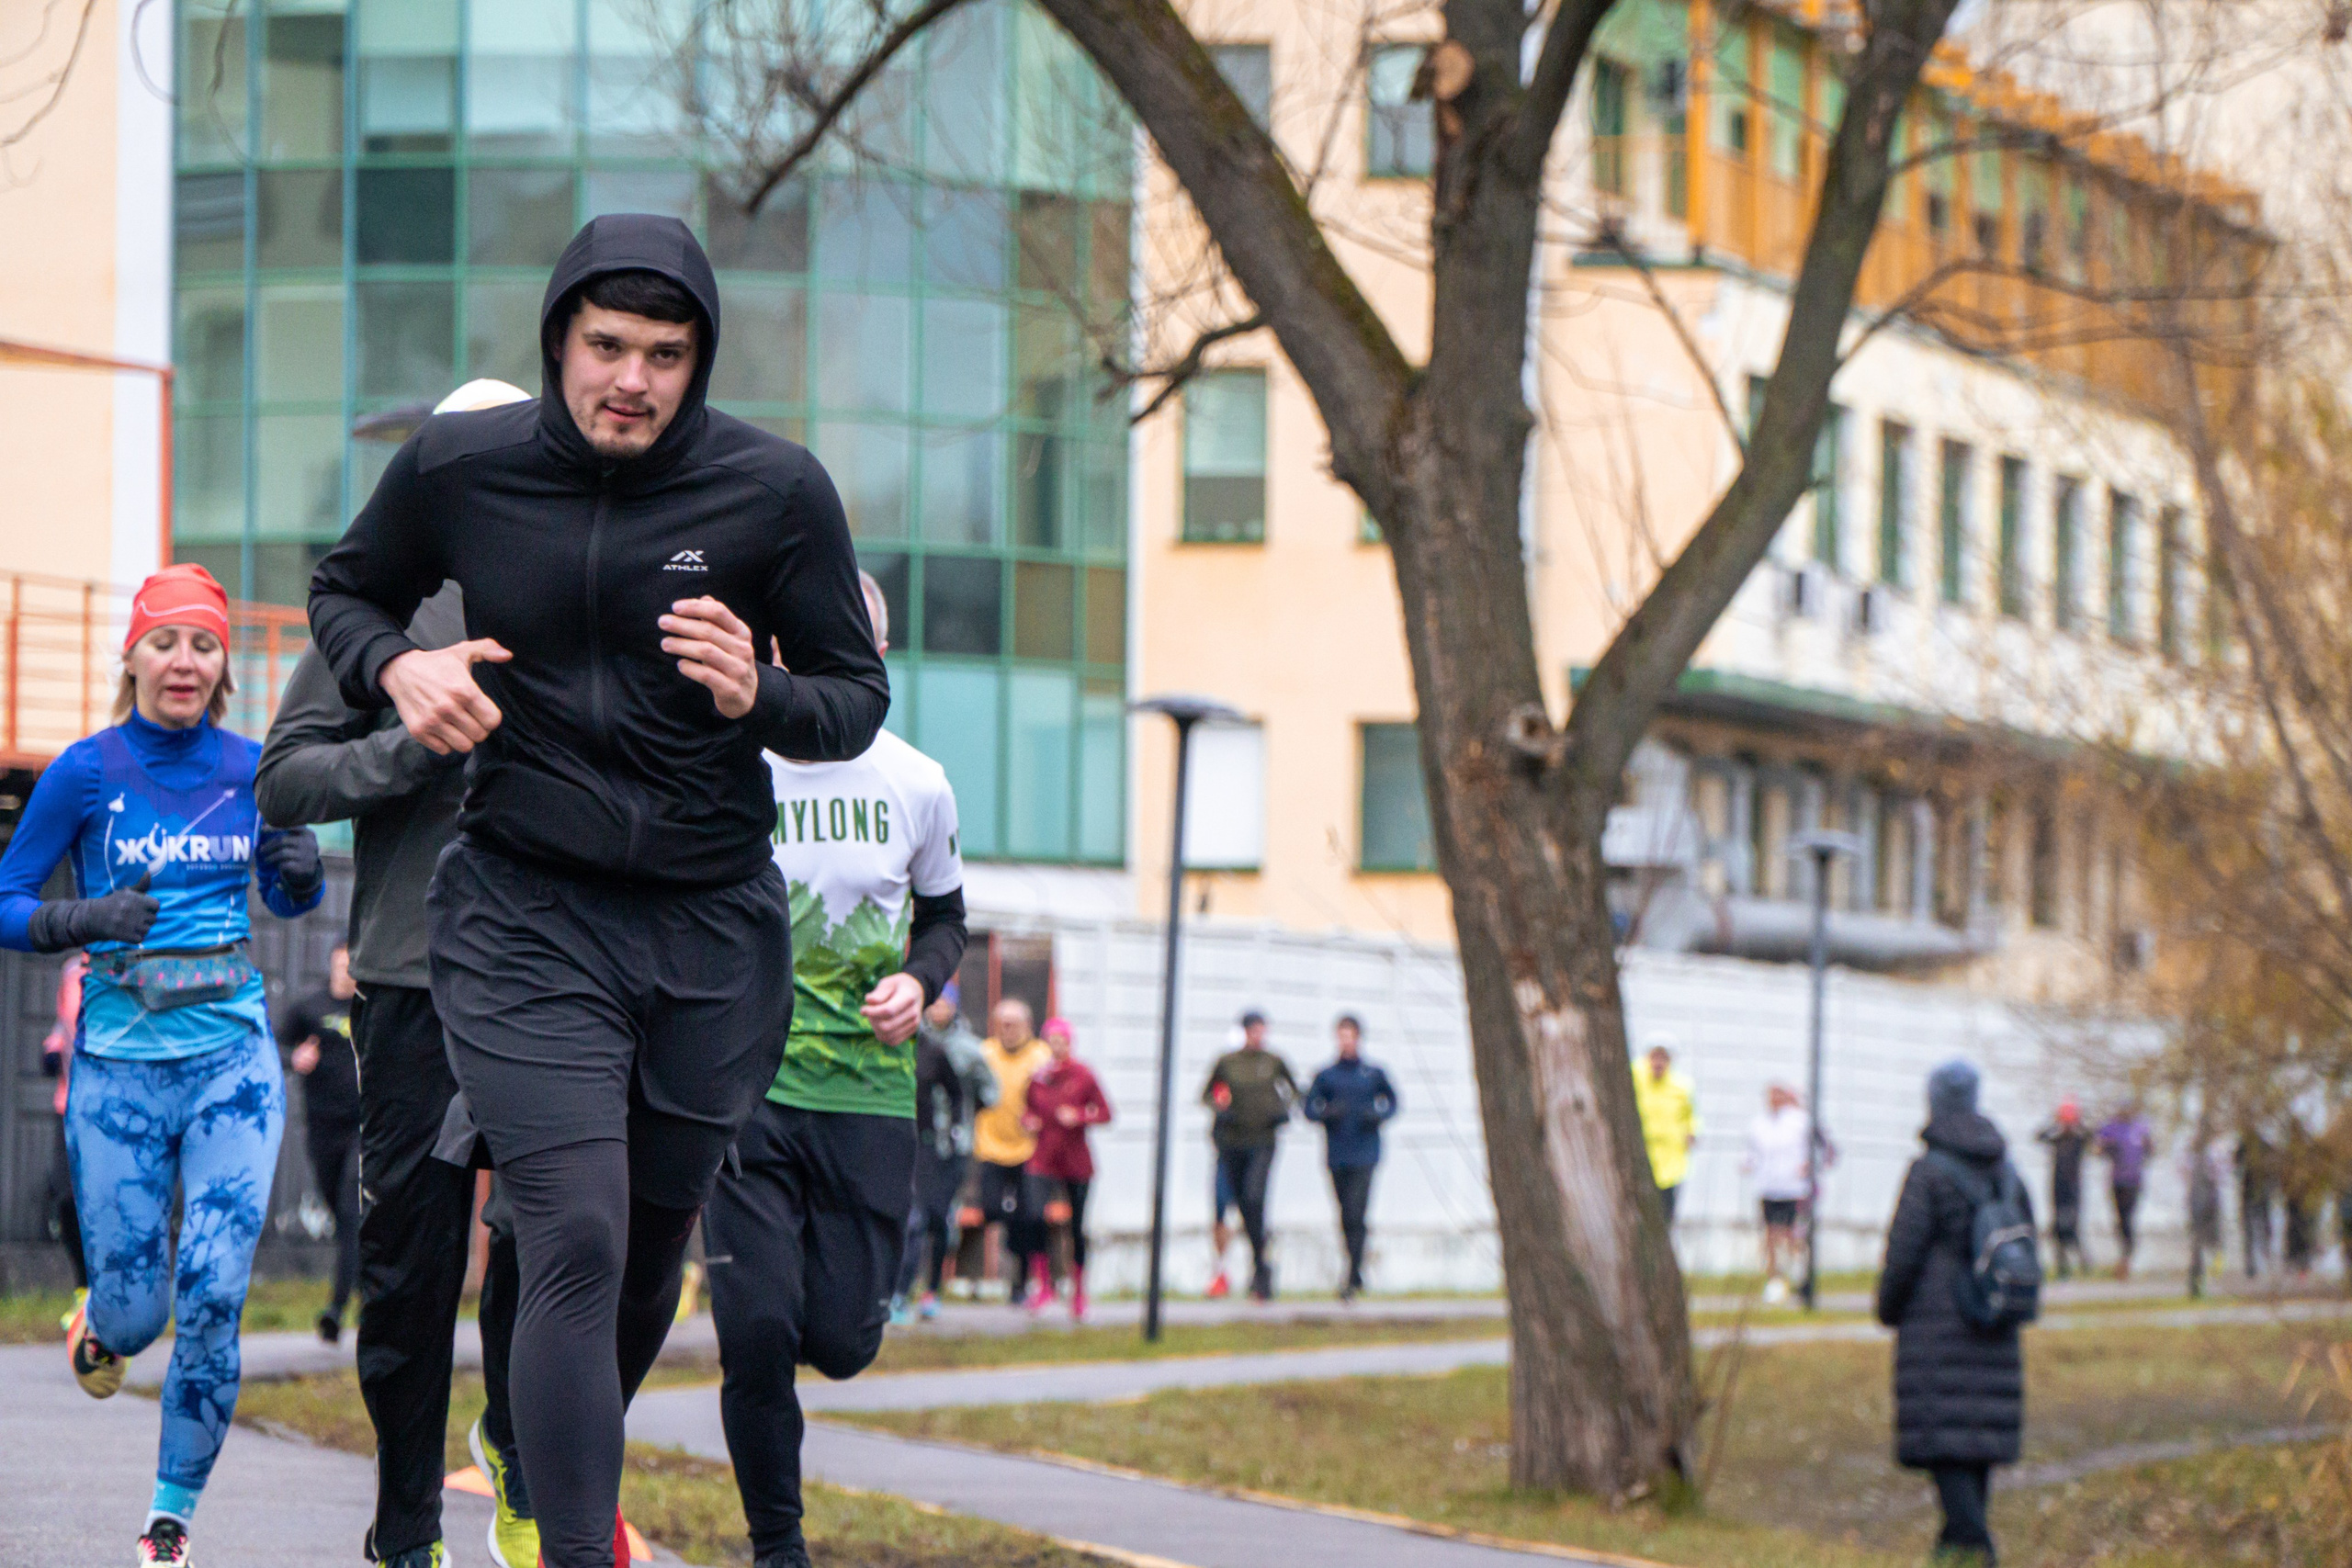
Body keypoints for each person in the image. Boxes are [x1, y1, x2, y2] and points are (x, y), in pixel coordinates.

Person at [307, 213, 890, 1568]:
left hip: (707, 923)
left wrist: (765, 691)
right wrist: (399, 669)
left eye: (665, 355)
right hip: (524, 909)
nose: (631, 379)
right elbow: (348, 592)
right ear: (561, 336)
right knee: (573, 1222)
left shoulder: (776, 490)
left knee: (644, 1255)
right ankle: (576, 1546)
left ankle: (526, 1433)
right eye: (606, 345)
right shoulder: (462, 465)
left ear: (700, 362)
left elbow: (854, 702)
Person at [261, 378, 544, 1568]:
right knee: (414, 1265)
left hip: (560, 979)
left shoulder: (583, 577)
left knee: (553, 1248)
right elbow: (285, 780)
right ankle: (409, 1520)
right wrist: (410, 745)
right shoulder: (385, 603)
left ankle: (526, 1460)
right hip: (413, 973)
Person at [0, 563, 324, 1567]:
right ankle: (99, 1321)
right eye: (166, 641)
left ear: (224, 665)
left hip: (233, 1057)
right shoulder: (85, 772)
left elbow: (294, 896)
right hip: (118, 1070)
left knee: (217, 1289)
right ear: (131, 655)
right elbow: (7, 897)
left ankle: (168, 1519)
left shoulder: (252, 768)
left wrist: (300, 871)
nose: (184, 660)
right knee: (140, 1315)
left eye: (204, 643)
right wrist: (78, 919)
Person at [703, 567, 966, 1568]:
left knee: (844, 1344)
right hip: (745, 1093)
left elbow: (944, 916)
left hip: (866, 1097)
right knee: (756, 1331)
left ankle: (835, 1316)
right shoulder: (727, 766)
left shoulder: (917, 781)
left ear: (877, 660)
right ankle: (779, 1546)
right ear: (774, 647)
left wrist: (920, 982)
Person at [1876, 1059, 2029, 1567]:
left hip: (1937, 1325)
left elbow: (1904, 1252)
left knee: (1946, 1445)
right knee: (1975, 1442)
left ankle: (1976, 1550)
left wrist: (1888, 1308)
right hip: (1994, 1317)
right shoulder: (2006, 1170)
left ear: (1935, 1101)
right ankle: (1952, 1551)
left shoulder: (1928, 1172)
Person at [277, 942, 362, 1343]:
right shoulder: (309, 1009)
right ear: (331, 966)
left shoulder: (369, 1010)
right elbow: (274, 1044)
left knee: (350, 1209)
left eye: (351, 967)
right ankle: (366, 1285)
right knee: (343, 1215)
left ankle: (336, 1307)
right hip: (322, 1128)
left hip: (364, 1128)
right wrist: (293, 1060)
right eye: (339, 966)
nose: (345, 974)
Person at [895, 981, 995, 1322]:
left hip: (954, 1145)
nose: (938, 1010)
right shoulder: (910, 1042)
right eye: (933, 1004)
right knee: (914, 1217)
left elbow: (989, 1093)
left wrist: (962, 1119)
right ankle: (898, 1293)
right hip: (916, 1141)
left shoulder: (969, 1048)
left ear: (955, 1007)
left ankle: (931, 1289)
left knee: (939, 1216)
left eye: (944, 1004)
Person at [1202, 1009, 1300, 1302]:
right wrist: (1222, 1107)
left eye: (1261, 1030)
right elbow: (1208, 1094)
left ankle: (1261, 1268)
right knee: (1238, 1205)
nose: (1257, 1036)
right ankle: (1255, 1267)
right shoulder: (1228, 1062)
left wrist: (1283, 1111)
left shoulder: (1273, 1062)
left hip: (1262, 1141)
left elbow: (1295, 1092)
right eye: (1252, 1030)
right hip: (1232, 1142)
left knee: (1254, 1198)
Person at [1022, 1016, 1113, 1317]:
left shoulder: (1083, 1075)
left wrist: (1079, 1116)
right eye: (1052, 1041)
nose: (1057, 1046)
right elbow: (1028, 1110)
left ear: (1070, 1043)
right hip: (1043, 1157)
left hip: (1076, 1160)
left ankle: (1078, 1290)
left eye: (1062, 1041)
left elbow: (1105, 1112)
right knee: (1034, 1217)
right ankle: (1043, 1284)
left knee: (1076, 1227)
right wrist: (1029, 1121)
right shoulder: (1038, 1076)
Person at [1305, 1013, 1399, 1301]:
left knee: (1358, 1212)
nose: (1346, 1041)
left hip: (1365, 1153)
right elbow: (1309, 1108)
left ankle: (1351, 1275)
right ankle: (1355, 1269)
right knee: (1346, 1215)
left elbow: (1393, 1102)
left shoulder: (1372, 1073)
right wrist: (1326, 1115)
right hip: (1338, 1154)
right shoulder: (1327, 1075)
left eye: (1350, 1035)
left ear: (1358, 1038)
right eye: (1341, 1036)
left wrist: (1377, 1116)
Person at [971, 998, 1054, 1302]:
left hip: (1029, 1149)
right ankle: (1011, 1242)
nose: (1008, 1029)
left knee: (1029, 1216)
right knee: (990, 1209)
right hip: (991, 1145)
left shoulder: (1041, 1056)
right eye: (1003, 1023)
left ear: (1028, 1026)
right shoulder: (985, 1053)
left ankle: (1020, 1284)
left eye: (1014, 1023)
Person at [40, 953, 87, 1319]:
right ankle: (84, 1289)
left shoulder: (135, 962)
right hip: (68, 1103)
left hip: (117, 1110)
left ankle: (116, 1295)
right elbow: (63, 1025)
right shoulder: (72, 970)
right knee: (67, 1200)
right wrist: (53, 1049)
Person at [1745, 1083, 1814, 1303]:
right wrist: (1748, 1164)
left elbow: (1815, 1149)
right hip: (1768, 1186)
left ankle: (1799, 1273)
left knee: (1791, 1235)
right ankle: (1775, 1281)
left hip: (1793, 1187)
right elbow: (1752, 1151)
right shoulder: (1758, 1123)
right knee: (1771, 1235)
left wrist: (1808, 1165)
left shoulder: (1799, 1121)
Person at [1630, 1039, 1698, 1224]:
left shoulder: (1681, 1087)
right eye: (1654, 1057)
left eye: (1663, 1058)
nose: (1658, 1063)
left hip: (1671, 1161)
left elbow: (1690, 1117)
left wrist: (1692, 1133)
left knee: (1665, 1212)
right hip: (1639, 1157)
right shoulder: (1634, 1079)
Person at [2035, 1098, 2093, 1280]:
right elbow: (2038, 1136)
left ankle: (2084, 1262)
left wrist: (2078, 1121)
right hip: (2056, 1188)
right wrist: (2054, 1122)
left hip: (2074, 1188)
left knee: (2072, 1227)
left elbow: (2090, 1135)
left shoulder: (2078, 1140)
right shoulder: (2057, 1139)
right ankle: (2063, 1266)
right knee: (2058, 1228)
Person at [2095, 1107, 2152, 1280]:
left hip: (2133, 1181)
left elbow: (2149, 1149)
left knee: (2127, 1219)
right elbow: (2098, 1149)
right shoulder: (2113, 1128)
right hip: (2118, 1180)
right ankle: (2126, 1254)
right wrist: (2107, 1148)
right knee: (2121, 1219)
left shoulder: (2140, 1128)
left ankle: (2127, 1257)